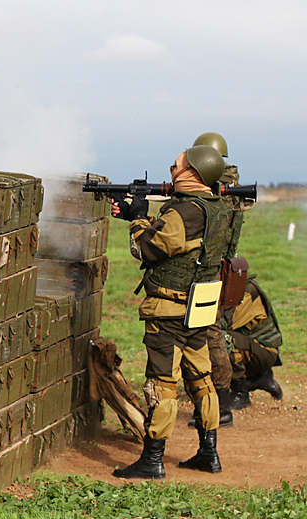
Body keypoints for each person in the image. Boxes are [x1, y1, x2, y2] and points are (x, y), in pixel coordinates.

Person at [111, 145, 233, 479]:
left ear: (193, 172)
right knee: (201, 379)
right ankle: (209, 452)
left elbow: (147, 248)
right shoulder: (217, 207)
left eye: (178, 164)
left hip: (170, 309)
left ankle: (152, 459)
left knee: (163, 383)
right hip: (199, 307)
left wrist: (136, 219)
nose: (172, 168)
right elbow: (181, 242)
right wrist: (139, 215)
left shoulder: (186, 212)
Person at [184, 132, 248, 428]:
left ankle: (220, 403)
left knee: (209, 333)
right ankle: (230, 392)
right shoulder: (231, 188)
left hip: (211, 270)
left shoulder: (218, 190)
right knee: (216, 329)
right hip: (223, 268)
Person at [222, 275, 284, 409]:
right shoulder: (230, 286)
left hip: (264, 353)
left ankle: (240, 393)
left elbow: (224, 324)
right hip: (254, 348)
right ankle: (260, 377)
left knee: (221, 338)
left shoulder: (246, 290)